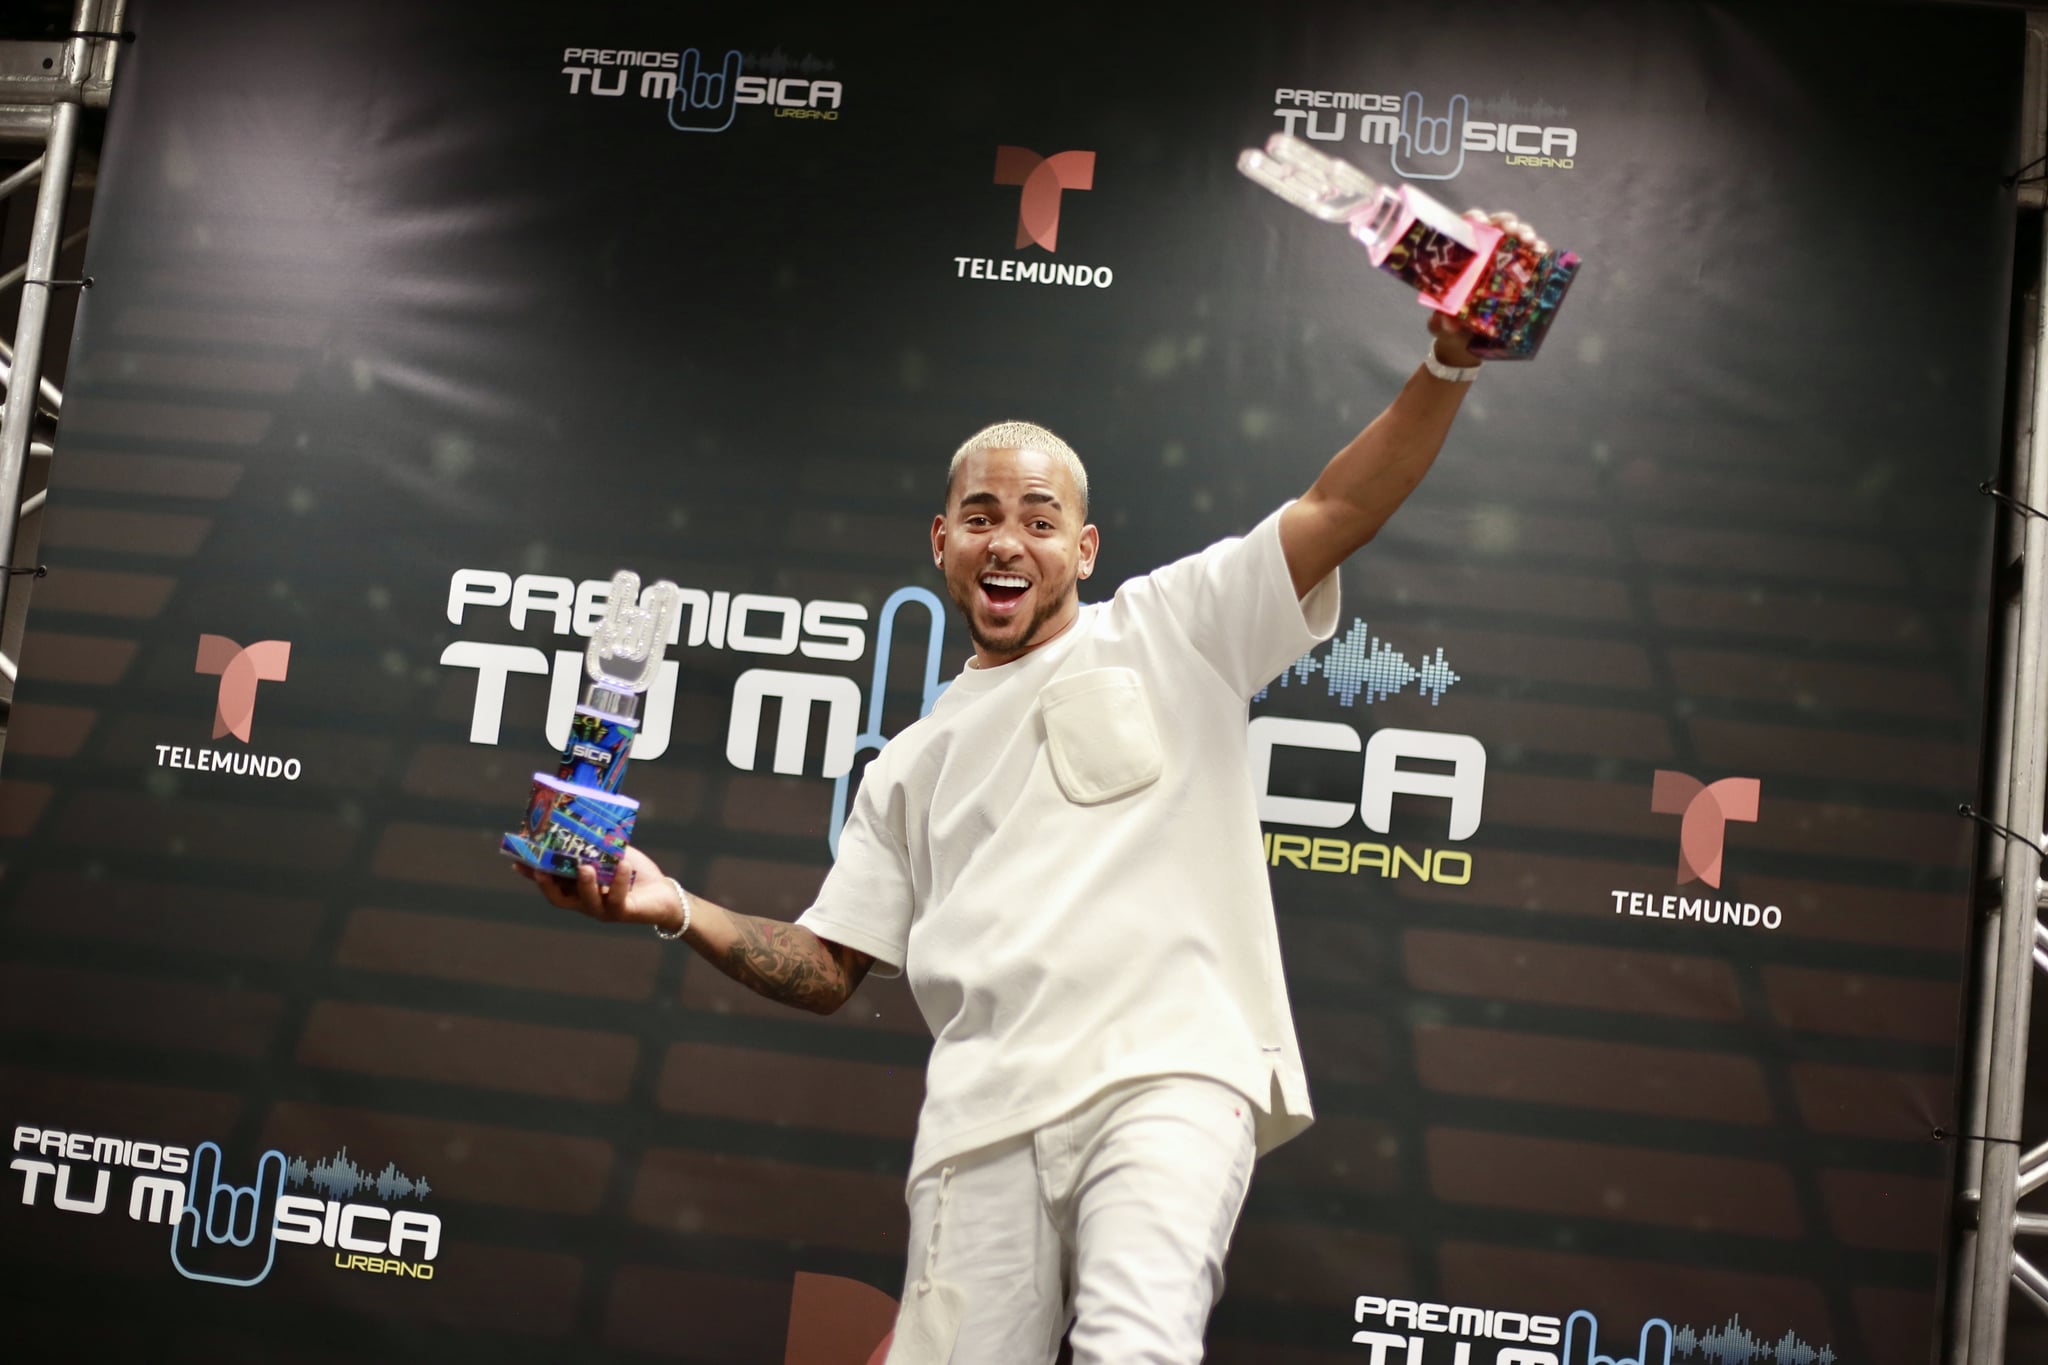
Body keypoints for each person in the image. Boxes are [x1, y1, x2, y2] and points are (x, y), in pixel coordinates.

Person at [520, 216, 1529, 1365]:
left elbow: (1338, 507)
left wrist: (1448, 362)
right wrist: (673, 904)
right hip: (974, 1132)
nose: (1011, 543)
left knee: (1132, 1349)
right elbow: (827, 966)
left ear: (1084, 549)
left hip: (1164, 1078)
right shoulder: (906, 762)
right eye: (985, 519)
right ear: (942, 542)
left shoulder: (1174, 627)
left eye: (1040, 522)